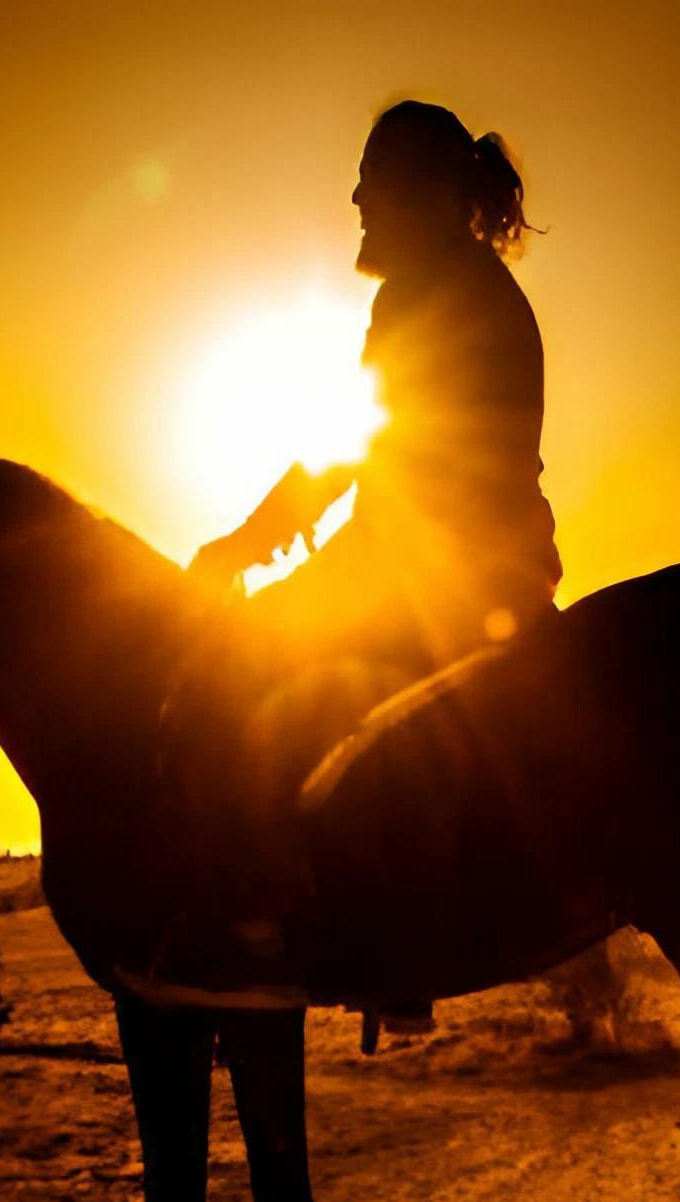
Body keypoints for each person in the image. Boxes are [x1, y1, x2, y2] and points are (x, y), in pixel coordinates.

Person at [147, 100, 563, 1003]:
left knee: (222, 674)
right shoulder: (479, 287)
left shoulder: (421, 290)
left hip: (424, 576)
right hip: (492, 566)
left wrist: (243, 545)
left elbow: (362, 448)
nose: (357, 200)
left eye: (372, 181)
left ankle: (255, 933)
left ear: (423, 193)